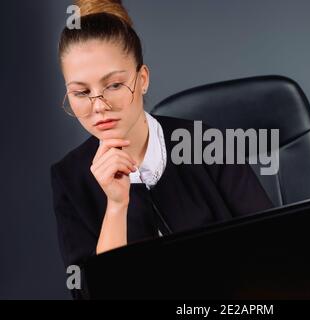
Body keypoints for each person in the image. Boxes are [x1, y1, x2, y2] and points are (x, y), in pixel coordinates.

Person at [50, 0, 273, 299]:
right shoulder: (70, 178)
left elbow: (274, 249)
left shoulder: (208, 144)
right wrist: (116, 207)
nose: (99, 107)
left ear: (142, 80)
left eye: (114, 85)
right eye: (81, 93)